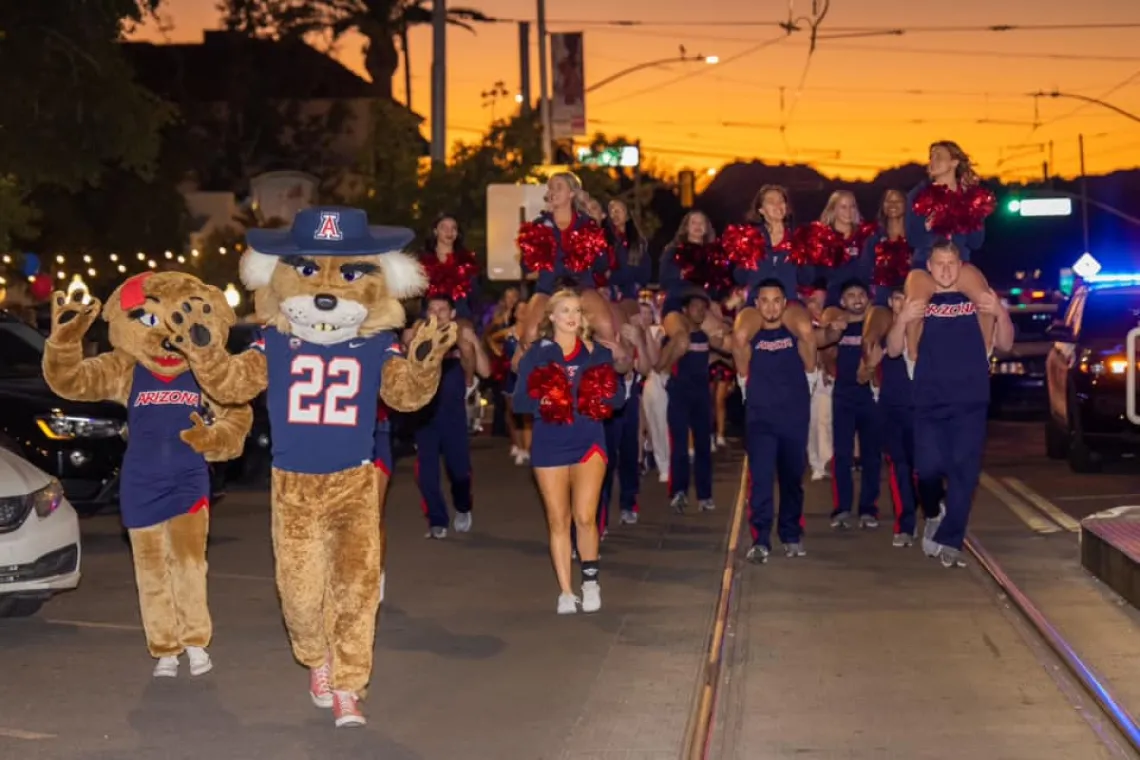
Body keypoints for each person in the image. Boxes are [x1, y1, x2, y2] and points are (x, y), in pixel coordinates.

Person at [886, 240, 1013, 567]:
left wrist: (1000, 311)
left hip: (969, 399)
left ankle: (952, 538)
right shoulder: (919, 299)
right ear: (929, 266)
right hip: (929, 400)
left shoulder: (978, 298)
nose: (945, 270)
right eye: (939, 264)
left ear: (961, 265)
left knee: (963, 472)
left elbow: (1006, 343)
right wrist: (901, 320)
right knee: (926, 470)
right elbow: (893, 351)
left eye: (951, 264)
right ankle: (932, 511)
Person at [513, 289, 630, 613]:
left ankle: (590, 581)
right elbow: (520, 400)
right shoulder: (537, 354)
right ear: (551, 317)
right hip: (549, 441)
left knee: (584, 516)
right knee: (558, 520)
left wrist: (598, 395)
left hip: (588, 439)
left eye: (577, 310)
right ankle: (566, 591)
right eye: (564, 310)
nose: (572, 316)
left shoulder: (597, 353)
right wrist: (550, 398)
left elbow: (618, 399)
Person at [734, 278, 820, 562]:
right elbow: (739, 361)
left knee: (792, 479)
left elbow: (813, 354)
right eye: (765, 300)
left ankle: (791, 534)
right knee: (760, 480)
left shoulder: (795, 334)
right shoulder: (751, 337)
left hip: (793, 418)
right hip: (760, 420)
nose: (770, 307)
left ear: (785, 304)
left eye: (776, 300)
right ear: (756, 304)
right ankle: (760, 539)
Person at [869, 287, 943, 548]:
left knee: (926, 469)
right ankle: (905, 524)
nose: (902, 304)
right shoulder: (887, 327)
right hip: (894, 409)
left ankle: (934, 511)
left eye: (907, 298)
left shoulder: (929, 328)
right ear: (891, 301)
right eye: (898, 299)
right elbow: (884, 353)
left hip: (924, 409)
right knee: (899, 466)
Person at [409, 295, 489, 539]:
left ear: (452, 314)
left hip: (453, 414)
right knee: (426, 473)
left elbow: (486, 371)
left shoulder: (461, 340)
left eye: (442, 309)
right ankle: (437, 520)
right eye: (432, 309)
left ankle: (463, 507)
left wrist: (473, 341)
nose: (437, 313)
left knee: (459, 471)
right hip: (425, 416)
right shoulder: (418, 338)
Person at [516, 172, 620, 349]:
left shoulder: (587, 225)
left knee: (607, 328)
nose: (553, 192)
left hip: (582, 288)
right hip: (547, 290)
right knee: (530, 335)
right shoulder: (540, 224)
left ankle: (606, 373)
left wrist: (595, 250)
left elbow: (602, 266)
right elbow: (526, 267)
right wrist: (533, 248)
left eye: (559, 187)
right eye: (550, 188)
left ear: (571, 193)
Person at [657, 287, 731, 513]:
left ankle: (705, 495)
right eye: (695, 308)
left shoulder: (704, 338)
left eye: (702, 309)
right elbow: (660, 364)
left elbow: (715, 357)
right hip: (679, 396)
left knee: (703, 448)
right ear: (685, 311)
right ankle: (678, 492)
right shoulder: (675, 337)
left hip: (701, 398)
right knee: (679, 447)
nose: (699, 312)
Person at [820, 280, 882, 529]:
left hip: (871, 396)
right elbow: (824, 348)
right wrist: (827, 369)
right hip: (843, 396)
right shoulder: (839, 325)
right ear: (842, 301)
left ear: (868, 299)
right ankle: (842, 508)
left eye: (861, 294)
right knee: (842, 454)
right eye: (851, 295)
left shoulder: (876, 325)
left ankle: (868, 508)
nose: (857, 299)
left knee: (871, 455)